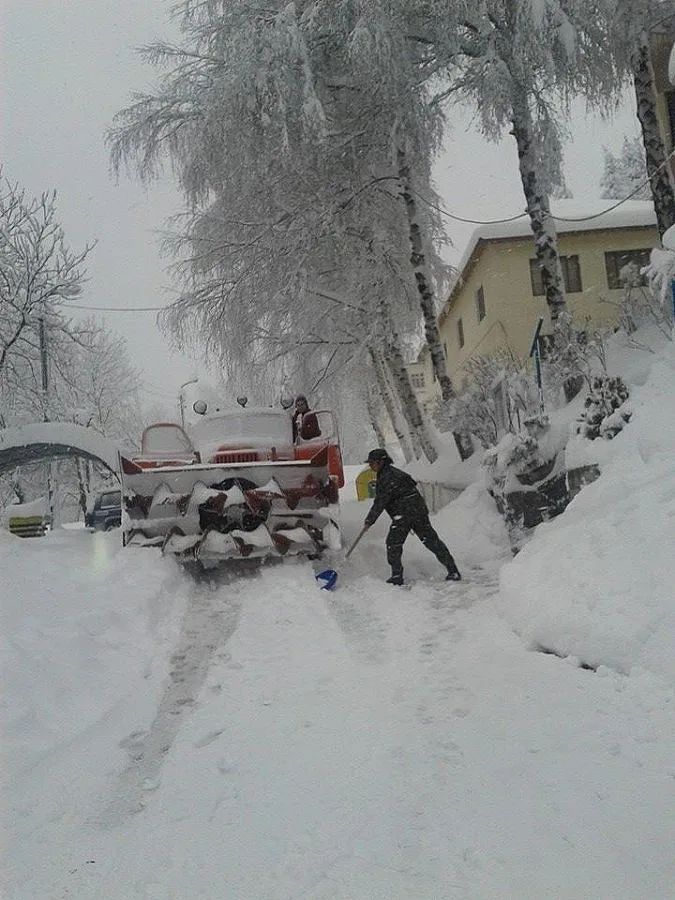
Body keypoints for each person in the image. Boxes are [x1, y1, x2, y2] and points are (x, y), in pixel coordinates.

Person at [363, 448, 461, 586]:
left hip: (403, 514)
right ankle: (453, 570)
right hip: (417, 510)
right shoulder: (394, 473)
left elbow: (380, 501)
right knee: (431, 541)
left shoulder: (386, 477)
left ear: (380, 462)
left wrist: (369, 520)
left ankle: (397, 576)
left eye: (372, 463)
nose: (370, 466)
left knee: (393, 544)